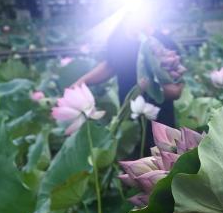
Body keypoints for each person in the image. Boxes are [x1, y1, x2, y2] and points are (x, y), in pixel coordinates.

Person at [75, 8, 184, 151]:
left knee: (163, 166)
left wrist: (150, 86)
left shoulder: (164, 42)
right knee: (131, 159)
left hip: (161, 121)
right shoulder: (117, 39)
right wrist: (79, 84)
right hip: (128, 118)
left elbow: (176, 91)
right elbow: (111, 64)